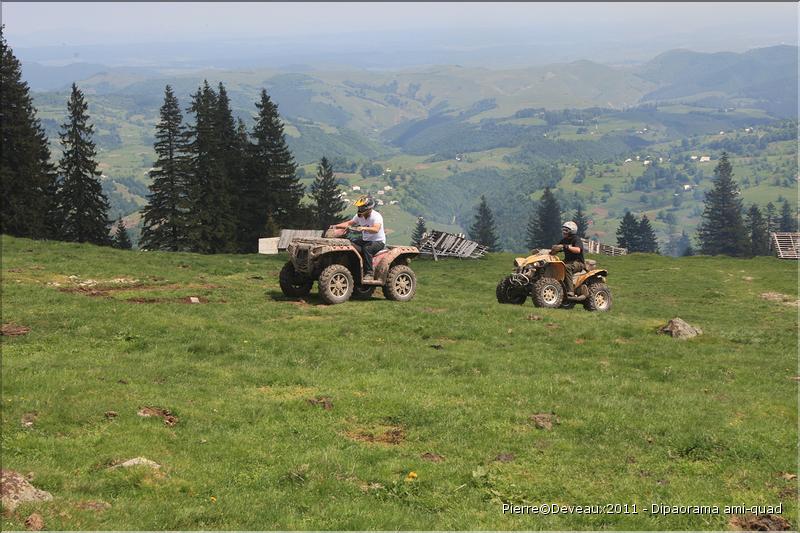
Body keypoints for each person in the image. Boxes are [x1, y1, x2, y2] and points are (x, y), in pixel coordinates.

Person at [334, 195, 386, 280]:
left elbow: (376, 229)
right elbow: (349, 223)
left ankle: (369, 273)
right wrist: (336, 226)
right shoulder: (359, 216)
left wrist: (363, 228)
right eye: (359, 207)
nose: (359, 209)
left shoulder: (376, 216)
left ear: (368, 208)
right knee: (350, 243)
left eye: (361, 207)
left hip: (378, 241)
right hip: (365, 240)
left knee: (367, 249)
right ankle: (354, 268)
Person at [551, 221, 585, 297]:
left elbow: (578, 250)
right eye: (563, 229)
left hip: (578, 262)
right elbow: (554, 252)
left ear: (572, 231)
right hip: (567, 261)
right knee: (554, 265)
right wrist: (554, 249)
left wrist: (567, 247)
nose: (564, 232)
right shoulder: (564, 240)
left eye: (566, 230)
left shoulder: (576, 239)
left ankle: (570, 291)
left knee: (566, 268)